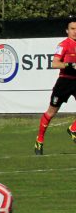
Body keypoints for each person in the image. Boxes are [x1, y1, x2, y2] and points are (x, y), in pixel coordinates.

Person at [35, 19, 76, 155]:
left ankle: (73, 129)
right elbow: (54, 63)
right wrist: (69, 65)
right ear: (67, 31)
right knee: (51, 113)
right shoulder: (63, 45)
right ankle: (39, 140)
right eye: (72, 29)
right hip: (64, 82)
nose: (75, 32)